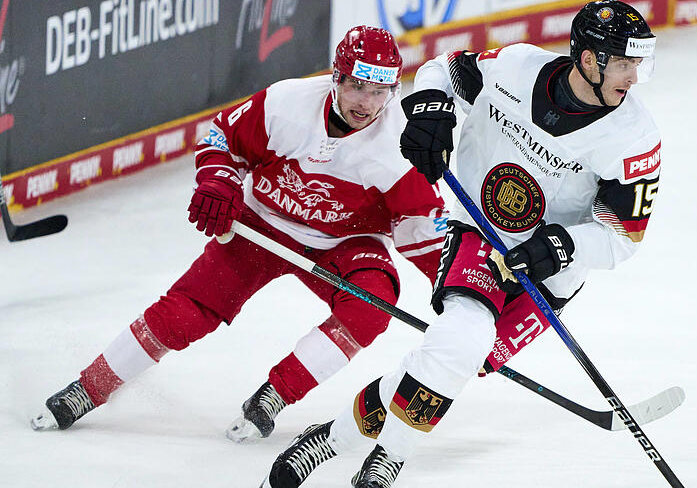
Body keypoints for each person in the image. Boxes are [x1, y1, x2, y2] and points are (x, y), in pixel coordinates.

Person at [259, 0, 662, 487]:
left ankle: (331, 439)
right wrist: (431, 113)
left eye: (638, 63)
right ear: (588, 58)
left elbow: (623, 236)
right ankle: (390, 458)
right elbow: (442, 72)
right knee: (465, 337)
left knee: (457, 359)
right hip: (480, 231)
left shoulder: (635, 137)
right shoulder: (517, 68)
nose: (633, 77)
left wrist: (559, 247)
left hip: (553, 269)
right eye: (623, 62)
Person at [30, 26, 448, 442]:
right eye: (358, 86)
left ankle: (275, 396)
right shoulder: (287, 103)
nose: (367, 103)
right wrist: (218, 181)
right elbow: (222, 138)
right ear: (336, 76)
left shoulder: (401, 143)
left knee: (370, 306)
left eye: (380, 91)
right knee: (186, 311)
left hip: (342, 244)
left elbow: (422, 227)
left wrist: (458, 299)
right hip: (262, 224)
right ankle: (89, 387)